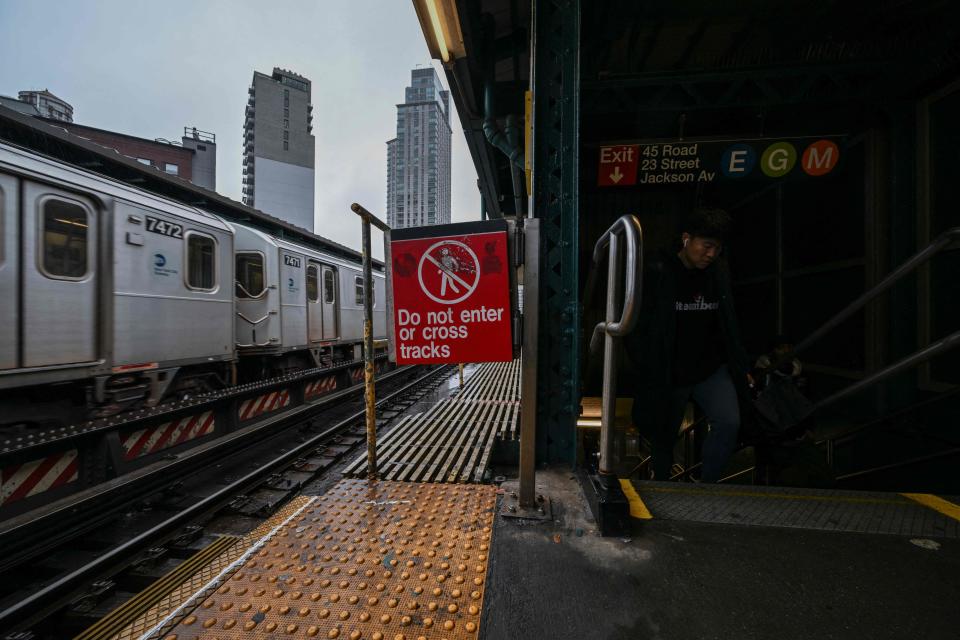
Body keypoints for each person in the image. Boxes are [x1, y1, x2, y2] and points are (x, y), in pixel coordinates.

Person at [627, 207, 750, 482]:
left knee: (729, 422)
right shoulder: (658, 271)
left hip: (710, 368)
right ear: (686, 239)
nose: (711, 254)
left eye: (717, 248)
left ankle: (707, 487)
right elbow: (637, 322)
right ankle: (661, 486)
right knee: (663, 435)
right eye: (706, 246)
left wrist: (740, 361)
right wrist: (645, 361)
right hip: (670, 369)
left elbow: (729, 319)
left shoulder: (718, 272)